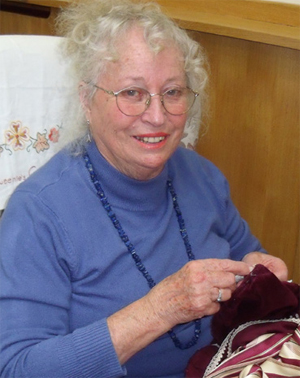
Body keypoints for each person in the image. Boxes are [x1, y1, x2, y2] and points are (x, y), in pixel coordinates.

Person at [0, 0, 288, 377]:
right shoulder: (38, 213)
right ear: (87, 100)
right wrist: (160, 309)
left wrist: (260, 272)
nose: (157, 116)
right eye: (132, 93)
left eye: (172, 92)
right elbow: (18, 368)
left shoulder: (202, 176)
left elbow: (248, 255)